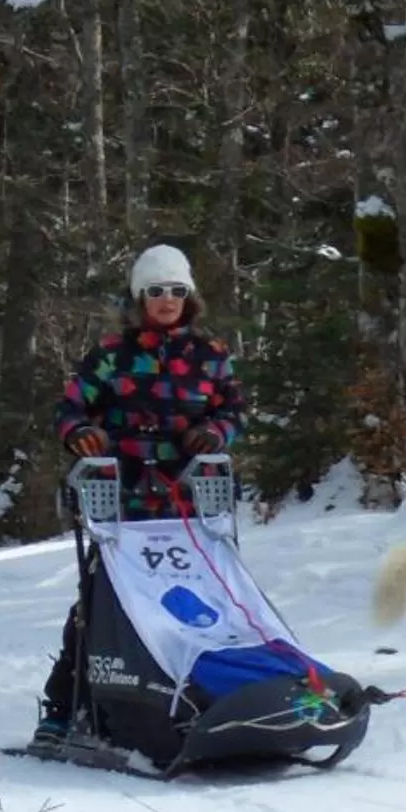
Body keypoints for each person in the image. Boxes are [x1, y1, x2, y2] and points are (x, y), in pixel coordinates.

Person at [32, 244, 247, 745]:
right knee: (100, 600)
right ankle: (65, 707)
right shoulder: (112, 355)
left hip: (188, 507)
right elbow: (69, 408)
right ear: (140, 298)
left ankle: (200, 699)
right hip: (120, 505)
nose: (167, 300)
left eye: (176, 290)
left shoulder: (211, 358)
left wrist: (215, 434)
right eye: (156, 291)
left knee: (203, 603)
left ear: (189, 297)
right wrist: (82, 433)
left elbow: (235, 411)